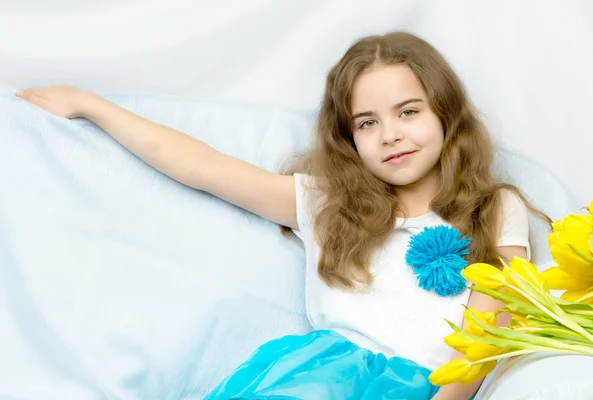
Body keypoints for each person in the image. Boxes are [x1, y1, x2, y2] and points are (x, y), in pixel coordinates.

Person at [15, 31, 549, 400]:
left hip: (429, 384)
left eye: (408, 112)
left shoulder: (492, 207)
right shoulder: (330, 204)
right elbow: (203, 167)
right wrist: (90, 105)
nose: (390, 134)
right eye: (367, 123)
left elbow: (488, 329)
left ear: (446, 113)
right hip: (321, 376)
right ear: (349, 139)